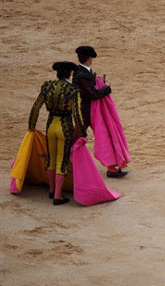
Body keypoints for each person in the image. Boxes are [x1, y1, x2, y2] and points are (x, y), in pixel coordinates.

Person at [28, 61, 85, 205]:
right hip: (64, 127)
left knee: (51, 159)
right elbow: (77, 114)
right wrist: (82, 133)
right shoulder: (73, 90)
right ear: (70, 74)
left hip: (51, 124)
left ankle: (52, 190)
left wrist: (31, 126)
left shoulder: (47, 87)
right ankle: (58, 196)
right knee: (62, 161)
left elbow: (36, 107)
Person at [72, 45, 125, 178]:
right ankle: (68, 165)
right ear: (89, 58)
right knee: (101, 136)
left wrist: (97, 80)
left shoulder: (81, 71)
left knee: (84, 136)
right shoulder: (82, 74)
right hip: (89, 110)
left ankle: (111, 167)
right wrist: (107, 88)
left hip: (86, 109)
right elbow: (93, 94)